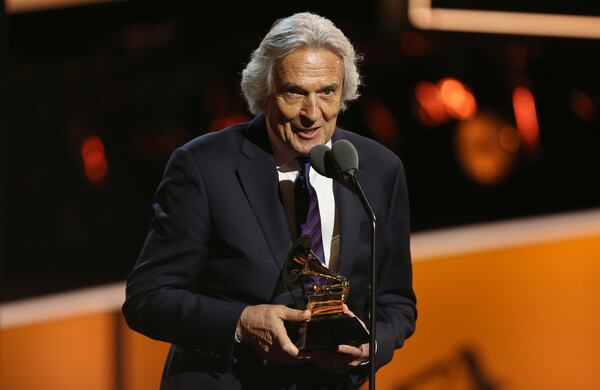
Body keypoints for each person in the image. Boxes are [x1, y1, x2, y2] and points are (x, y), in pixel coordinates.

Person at [122, 12, 416, 390]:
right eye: (295, 92)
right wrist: (242, 322)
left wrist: (370, 346)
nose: (313, 114)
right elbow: (148, 299)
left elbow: (396, 303)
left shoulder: (378, 169)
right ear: (263, 92)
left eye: (327, 91)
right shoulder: (203, 166)